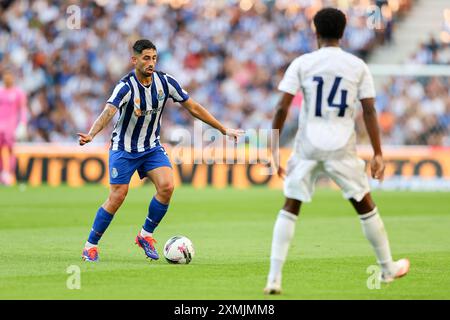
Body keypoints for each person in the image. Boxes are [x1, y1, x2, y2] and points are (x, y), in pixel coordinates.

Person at [264, 8, 409, 294]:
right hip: (342, 148)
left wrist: (273, 148)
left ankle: (274, 278)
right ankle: (387, 267)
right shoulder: (357, 66)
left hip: (308, 146)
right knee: (365, 206)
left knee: (290, 206)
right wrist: (378, 153)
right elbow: (369, 110)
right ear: (343, 33)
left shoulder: (303, 63)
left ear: (315, 31)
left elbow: (282, 107)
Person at [78, 39, 243, 262]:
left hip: (151, 147)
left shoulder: (165, 82)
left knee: (167, 186)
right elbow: (109, 111)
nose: (151, 63)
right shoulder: (125, 86)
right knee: (118, 196)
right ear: (134, 60)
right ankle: (90, 246)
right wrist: (91, 134)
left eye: (154, 58)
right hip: (123, 149)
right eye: (146, 58)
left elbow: (192, 107)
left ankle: (145, 235)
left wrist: (222, 129)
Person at [0, 69, 27, 186]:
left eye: (9, 76)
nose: (7, 79)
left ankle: (9, 173)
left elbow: (23, 109)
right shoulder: (0, 91)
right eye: (6, 76)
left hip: (11, 126)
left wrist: (23, 124)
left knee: (9, 150)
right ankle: (3, 173)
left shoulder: (18, 93)